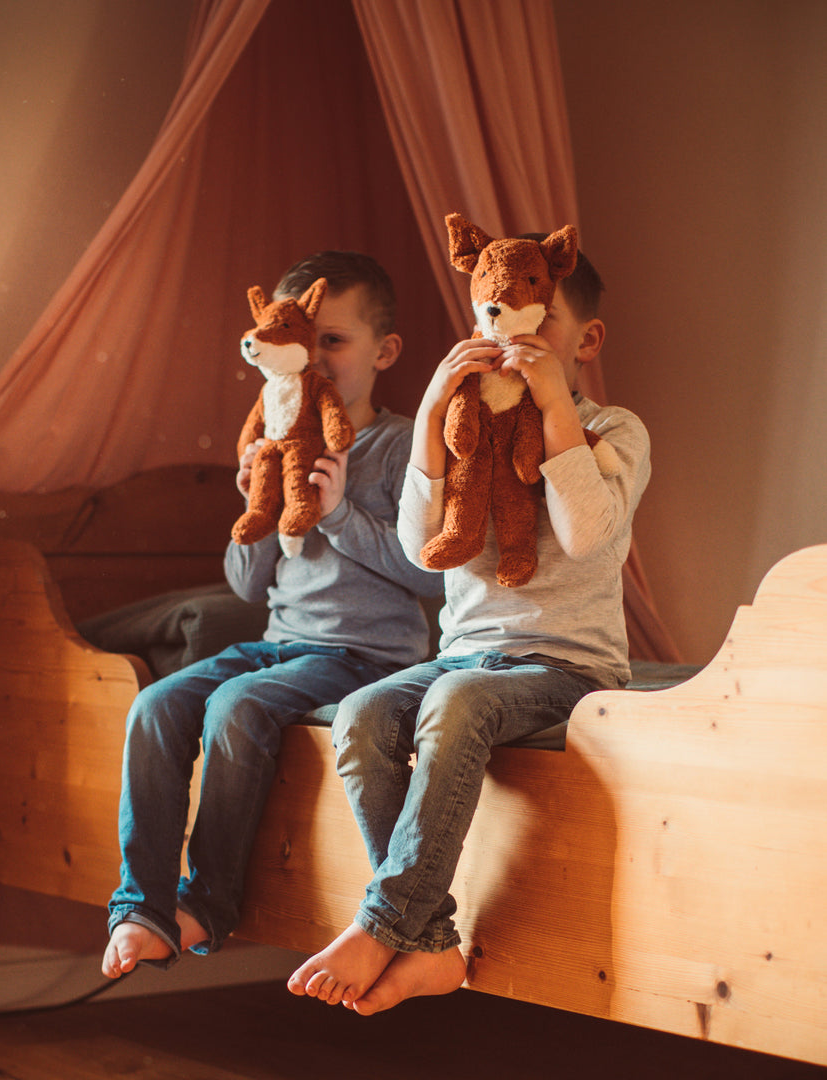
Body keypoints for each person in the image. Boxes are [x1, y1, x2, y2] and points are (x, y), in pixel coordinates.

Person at [287, 239, 651, 1014]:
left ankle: (382, 924)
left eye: (540, 319)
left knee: (454, 704)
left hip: (567, 666)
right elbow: (424, 546)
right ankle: (432, 943)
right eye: (496, 314)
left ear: (585, 341)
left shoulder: (615, 431)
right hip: (468, 653)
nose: (513, 334)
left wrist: (553, 408)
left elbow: (585, 532)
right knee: (360, 715)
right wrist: (428, 413)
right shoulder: (464, 431)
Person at [103, 251, 444, 979]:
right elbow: (247, 587)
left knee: (237, 706)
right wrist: (255, 510)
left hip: (367, 656)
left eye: (333, 340)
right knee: (156, 706)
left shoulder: (400, 446)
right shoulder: (278, 439)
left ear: (383, 352)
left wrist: (341, 513)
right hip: (280, 642)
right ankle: (140, 905)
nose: (314, 358)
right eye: (300, 340)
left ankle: (209, 903)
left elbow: (431, 578)